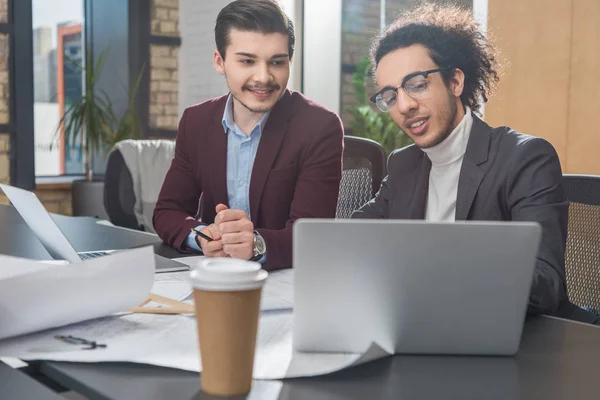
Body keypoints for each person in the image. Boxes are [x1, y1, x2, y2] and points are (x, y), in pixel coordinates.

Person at [352, 3, 568, 316]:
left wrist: (440, 259)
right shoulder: (404, 164)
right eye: (390, 95)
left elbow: (545, 285)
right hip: (424, 321)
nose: (404, 105)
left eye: (417, 84)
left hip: (509, 334)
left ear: (455, 81)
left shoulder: (524, 158)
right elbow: (353, 236)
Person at [153, 0, 344, 271]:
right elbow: (167, 212)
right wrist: (203, 236)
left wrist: (256, 244)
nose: (263, 77)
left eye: (276, 62)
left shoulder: (319, 127)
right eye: (247, 61)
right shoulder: (196, 122)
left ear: (289, 61)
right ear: (220, 61)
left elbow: (311, 235)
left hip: (284, 280)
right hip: (215, 276)